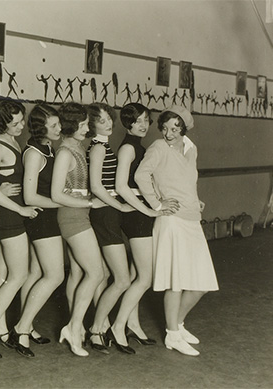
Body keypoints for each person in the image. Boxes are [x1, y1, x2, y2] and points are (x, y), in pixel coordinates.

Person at [135, 106, 218, 356]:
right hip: (171, 221)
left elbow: (187, 181)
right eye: (165, 128)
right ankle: (172, 334)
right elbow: (141, 175)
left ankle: (177, 325)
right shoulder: (159, 148)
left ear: (185, 128)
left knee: (201, 282)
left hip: (192, 218)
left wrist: (195, 199)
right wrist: (158, 203)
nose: (169, 133)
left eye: (175, 128)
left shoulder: (191, 149)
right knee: (176, 282)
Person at [111, 103, 175, 350]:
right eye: (137, 121)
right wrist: (148, 209)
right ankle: (117, 326)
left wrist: (157, 203)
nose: (143, 125)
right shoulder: (128, 148)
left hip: (142, 212)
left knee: (138, 273)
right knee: (145, 278)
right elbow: (121, 186)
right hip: (136, 215)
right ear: (127, 123)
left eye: (146, 120)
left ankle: (133, 324)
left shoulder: (139, 146)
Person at [0, 98, 41, 358]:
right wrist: (20, 210)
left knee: (4, 273)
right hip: (8, 215)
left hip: (13, 212)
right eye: (14, 123)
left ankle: (1, 330)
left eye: (21, 121)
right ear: (1, 123)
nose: (20, 126)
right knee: (19, 275)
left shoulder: (12, 141)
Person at [51, 102, 105, 357]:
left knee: (78, 273)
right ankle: (73, 328)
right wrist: (90, 202)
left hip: (81, 214)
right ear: (72, 126)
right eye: (83, 125)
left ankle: (76, 327)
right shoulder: (64, 153)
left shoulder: (78, 147)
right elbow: (56, 194)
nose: (87, 128)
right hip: (72, 218)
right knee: (96, 273)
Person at [12, 103, 64, 357]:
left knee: (35, 273)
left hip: (47, 215)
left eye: (58, 124)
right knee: (55, 276)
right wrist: (61, 201)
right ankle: (21, 328)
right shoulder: (34, 153)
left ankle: (27, 324)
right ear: (40, 127)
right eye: (53, 125)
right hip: (40, 217)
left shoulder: (48, 148)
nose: (59, 128)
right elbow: (30, 195)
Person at [84, 103, 136, 353]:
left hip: (107, 213)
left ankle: (99, 328)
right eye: (101, 120)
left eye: (109, 118)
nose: (107, 123)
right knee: (123, 279)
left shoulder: (104, 146)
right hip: (105, 214)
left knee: (105, 276)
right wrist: (120, 206)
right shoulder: (97, 148)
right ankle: (96, 329)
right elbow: (96, 186)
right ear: (91, 123)